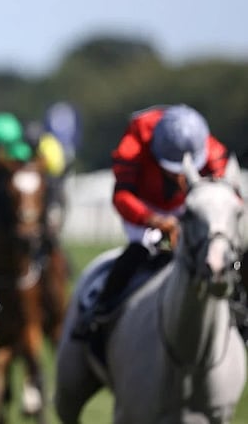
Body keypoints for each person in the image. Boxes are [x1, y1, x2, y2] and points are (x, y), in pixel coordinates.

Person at [71, 104, 230, 339]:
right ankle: (99, 312)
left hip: (191, 205)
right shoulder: (134, 143)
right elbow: (121, 196)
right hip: (146, 206)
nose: (179, 176)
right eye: (171, 169)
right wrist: (153, 219)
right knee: (147, 250)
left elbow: (225, 196)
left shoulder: (210, 149)